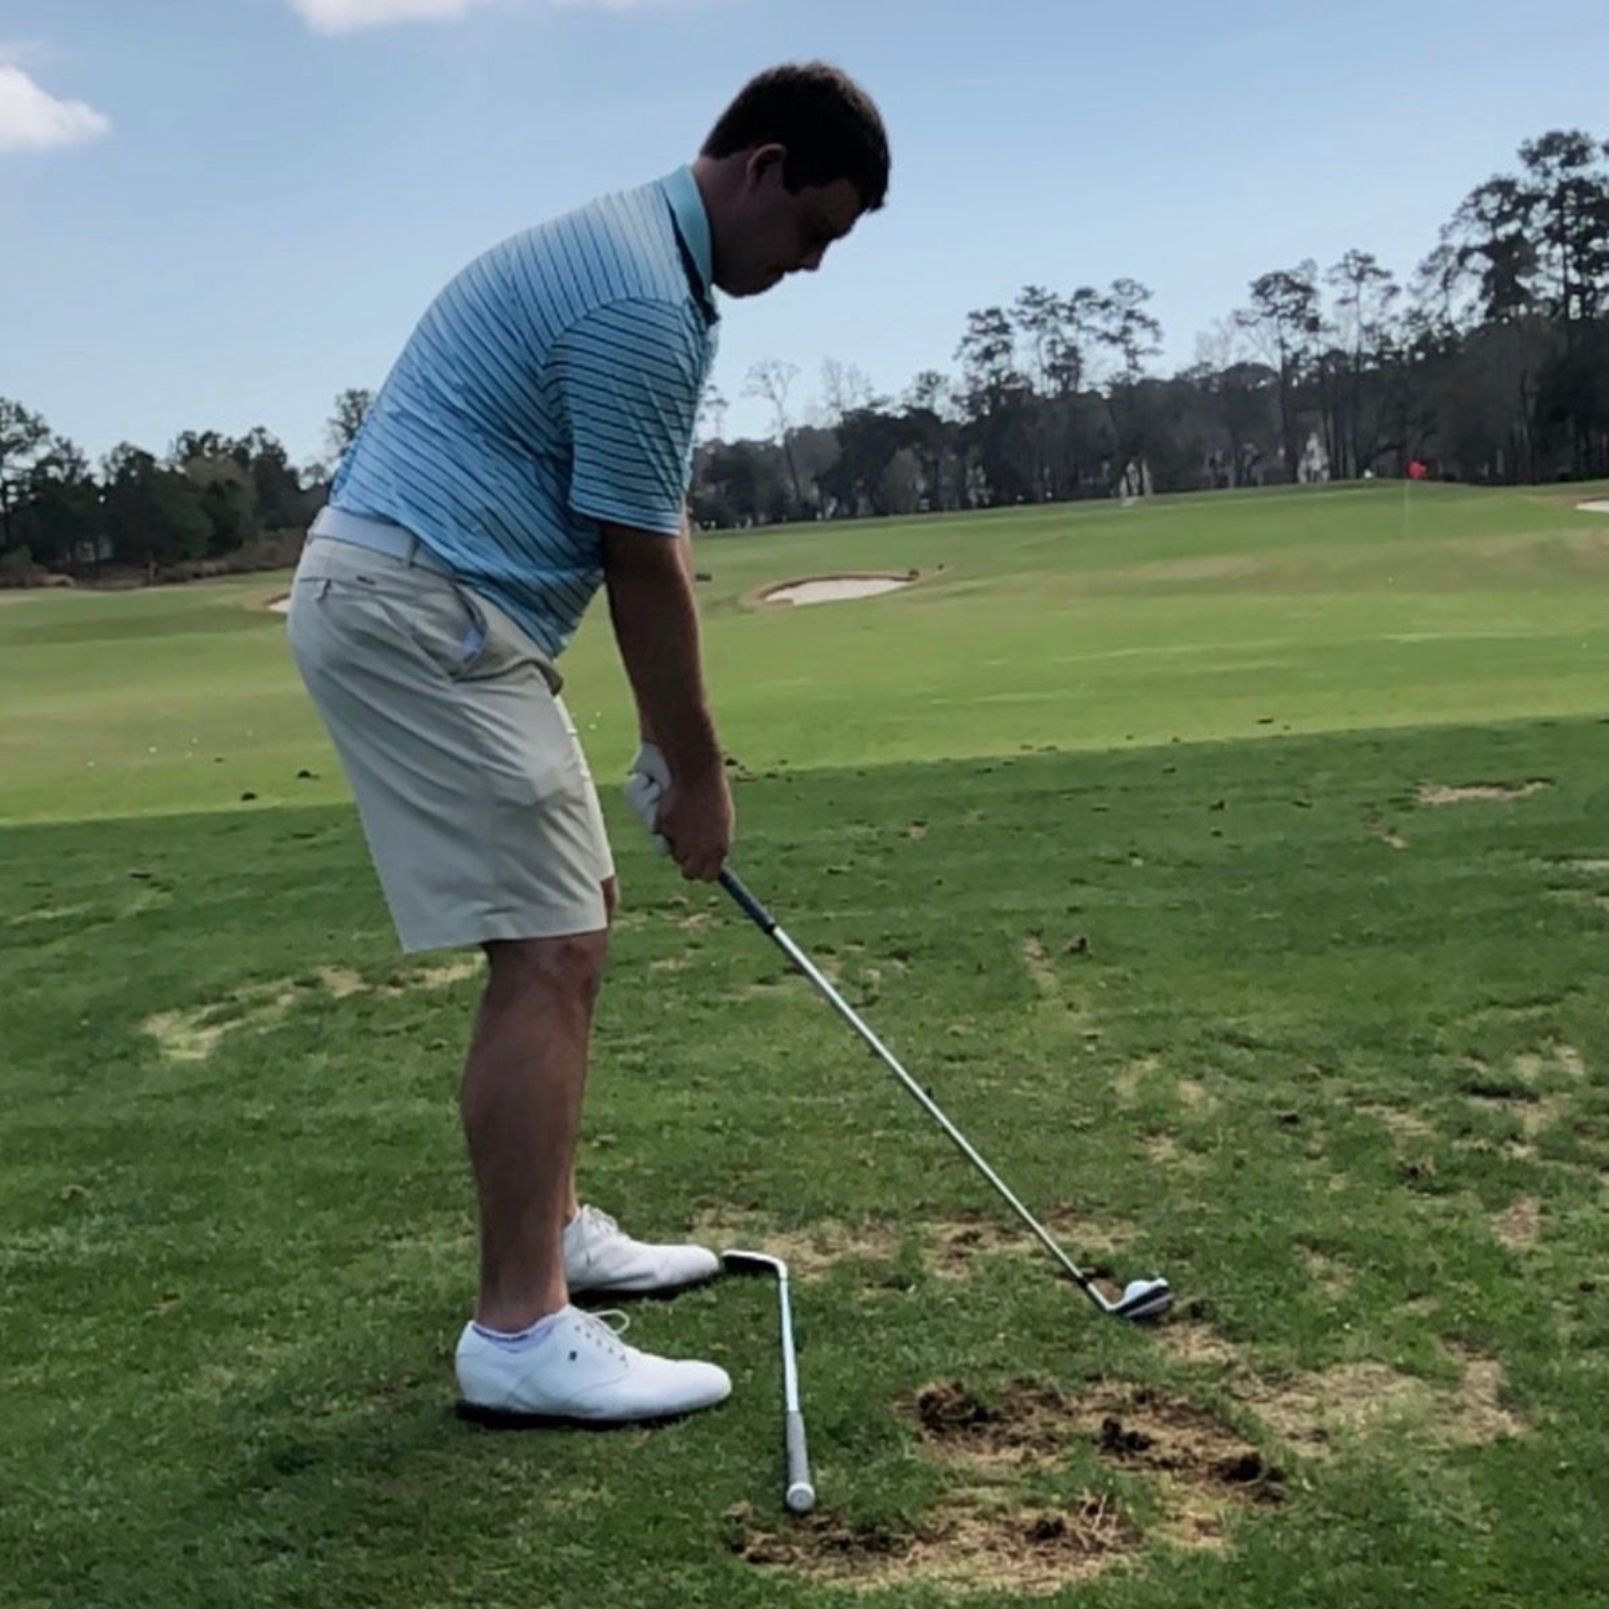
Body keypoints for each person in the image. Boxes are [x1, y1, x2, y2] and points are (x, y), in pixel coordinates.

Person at [286, 62, 890, 1426]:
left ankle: (554, 1237)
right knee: (550, 944)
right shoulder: (637, 297)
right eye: (814, 230)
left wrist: (677, 764)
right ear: (762, 168)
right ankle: (517, 1330)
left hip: (449, 604)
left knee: (582, 909)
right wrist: (700, 773)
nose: (809, 265)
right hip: (418, 605)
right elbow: (641, 567)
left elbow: (654, 528)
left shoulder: (654, 272)